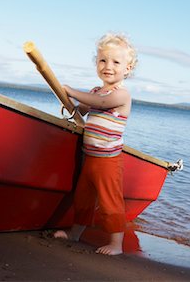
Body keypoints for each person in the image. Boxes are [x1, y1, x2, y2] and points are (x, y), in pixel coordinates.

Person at [54, 33, 138, 255]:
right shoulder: (94, 91)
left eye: (116, 62)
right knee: (83, 199)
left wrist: (72, 91)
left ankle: (116, 244)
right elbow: (81, 108)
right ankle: (75, 233)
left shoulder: (121, 95)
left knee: (110, 203)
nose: (107, 66)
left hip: (109, 161)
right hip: (89, 157)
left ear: (127, 69)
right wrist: (71, 103)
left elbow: (100, 103)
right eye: (102, 60)